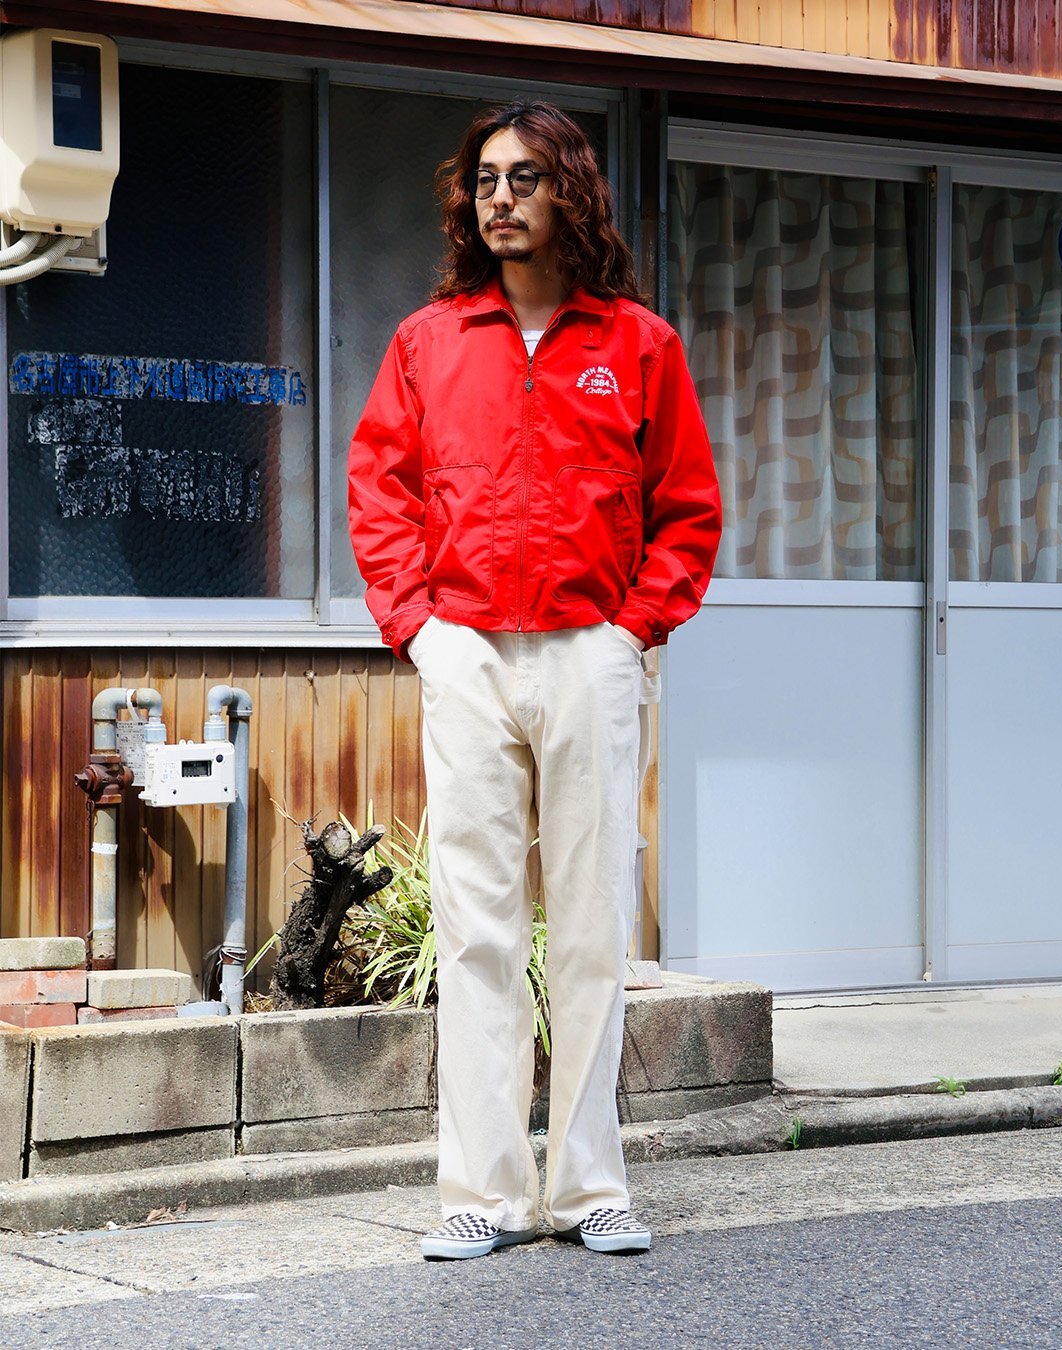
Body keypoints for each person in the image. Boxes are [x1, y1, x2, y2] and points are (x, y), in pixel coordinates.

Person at [348, 100, 721, 1261]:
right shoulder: (429, 341)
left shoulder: (638, 344)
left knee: (595, 922)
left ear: (571, 193)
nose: (500, 198)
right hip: (464, 649)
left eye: (524, 178)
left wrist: (632, 629)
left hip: (588, 650)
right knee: (477, 929)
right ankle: (487, 1192)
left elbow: (688, 507)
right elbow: (381, 489)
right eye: (485, 181)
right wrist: (419, 628)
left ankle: (589, 1188)